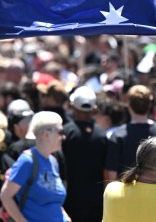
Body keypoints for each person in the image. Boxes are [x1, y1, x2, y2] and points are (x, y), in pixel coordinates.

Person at [0, 111, 70, 222]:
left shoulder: (53, 162)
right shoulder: (27, 161)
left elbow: (53, 201)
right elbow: (5, 196)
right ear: (46, 134)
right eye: (60, 132)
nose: (64, 137)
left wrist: (66, 217)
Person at [104, 85, 156, 181]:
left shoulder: (118, 135)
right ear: (150, 104)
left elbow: (111, 174)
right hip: (154, 193)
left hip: (125, 194)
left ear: (129, 105)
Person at [62, 86, 107, 222]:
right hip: (95, 201)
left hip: (70, 198)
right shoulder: (101, 135)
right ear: (93, 109)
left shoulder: (65, 132)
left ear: (72, 106)